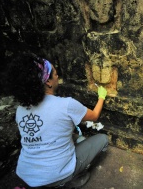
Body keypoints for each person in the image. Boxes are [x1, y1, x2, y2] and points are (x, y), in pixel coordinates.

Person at [7, 52, 109, 188]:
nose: (57, 76)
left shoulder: (21, 110)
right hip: (56, 174)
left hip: (25, 176)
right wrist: (101, 97)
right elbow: (95, 116)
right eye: (55, 74)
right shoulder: (66, 105)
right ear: (48, 82)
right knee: (103, 139)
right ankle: (70, 181)